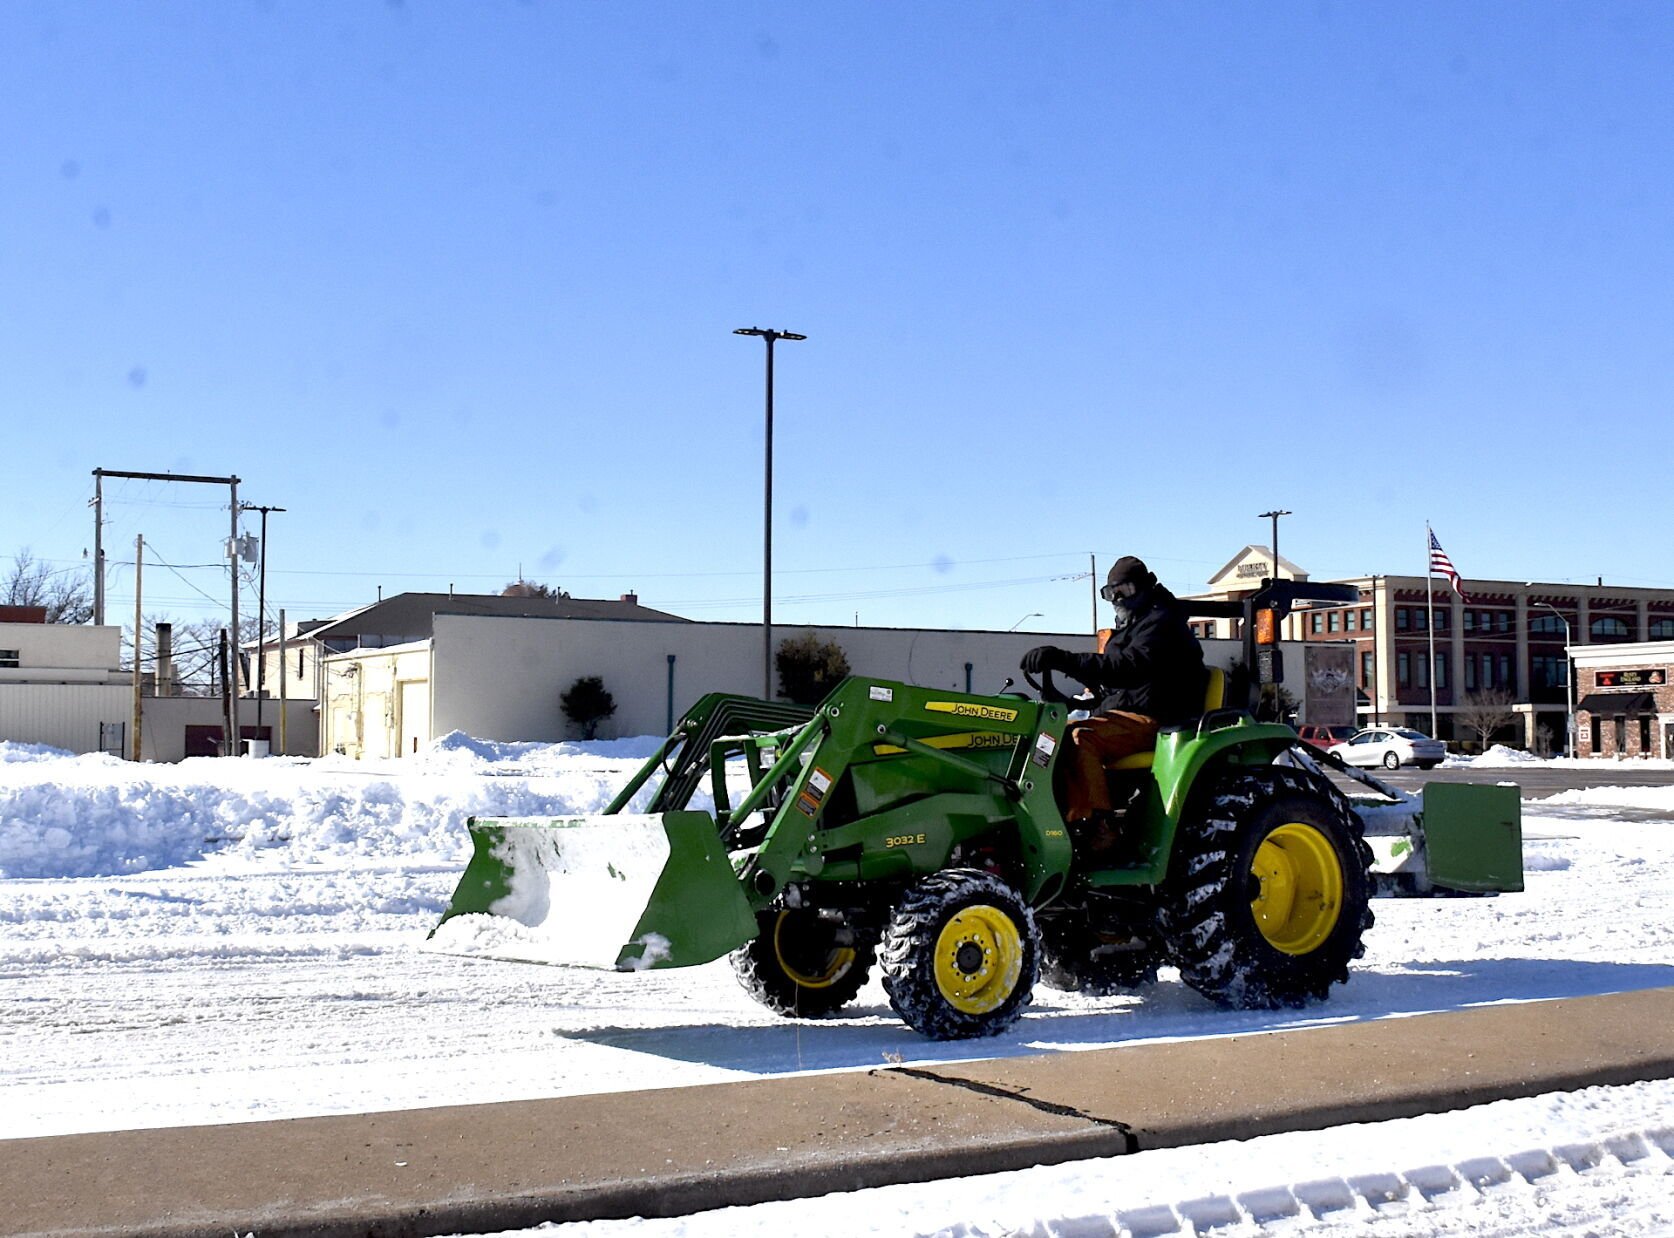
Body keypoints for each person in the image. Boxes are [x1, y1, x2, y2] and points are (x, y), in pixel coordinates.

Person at [1021, 556, 1206, 854]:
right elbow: (1113, 676)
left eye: (1125, 590)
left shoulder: (1162, 623)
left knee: (1081, 737)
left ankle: (1098, 826)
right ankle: (1049, 818)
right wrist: (1082, 682)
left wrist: (1063, 658)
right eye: (1111, 593)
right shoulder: (1131, 627)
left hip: (1160, 719)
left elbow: (1128, 667)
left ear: (1145, 587)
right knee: (1049, 737)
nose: (1117, 599)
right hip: (1125, 714)